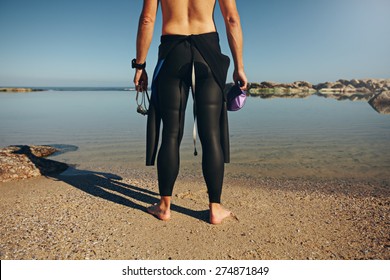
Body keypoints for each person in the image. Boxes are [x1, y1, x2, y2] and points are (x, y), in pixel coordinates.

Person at [133, 0, 247, 224]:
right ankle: (215, 208)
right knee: (211, 135)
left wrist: (140, 65)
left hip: (172, 54)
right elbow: (231, 19)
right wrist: (239, 66)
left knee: (171, 134)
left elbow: (147, 19)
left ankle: (164, 206)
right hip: (209, 55)